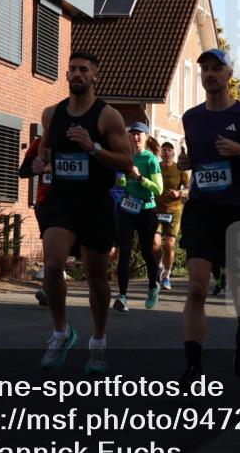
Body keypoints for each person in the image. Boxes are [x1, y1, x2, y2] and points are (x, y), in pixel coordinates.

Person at [177, 49, 240, 380]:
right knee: (196, 287)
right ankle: (193, 363)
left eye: (216, 68)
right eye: (204, 69)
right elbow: (198, 158)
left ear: (229, 74)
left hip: (237, 210)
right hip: (201, 208)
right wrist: (186, 164)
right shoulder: (191, 118)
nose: (209, 74)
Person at [33, 52, 133, 373]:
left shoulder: (108, 117)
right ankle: (61, 332)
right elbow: (46, 148)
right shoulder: (52, 114)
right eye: (73, 69)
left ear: (95, 77)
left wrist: (94, 148)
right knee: (51, 265)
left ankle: (99, 339)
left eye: (84, 70)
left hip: (95, 201)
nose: (77, 74)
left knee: (96, 277)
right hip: (62, 199)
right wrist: (39, 161)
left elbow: (127, 163)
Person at [113, 122, 163, 311]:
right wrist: (123, 180)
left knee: (146, 251)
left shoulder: (151, 160)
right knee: (123, 251)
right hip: (127, 208)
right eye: (132, 134)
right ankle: (123, 296)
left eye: (138, 135)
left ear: (146, 137)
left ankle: (153, 285)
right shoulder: (126, 157)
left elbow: (158, 189)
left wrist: (139, 177)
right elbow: (125, 181)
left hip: (146, 210)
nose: (135, 138)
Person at [19, 135, 54, 306]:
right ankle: (49, 288)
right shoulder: (40, 143)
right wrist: (38, 167)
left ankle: (52, 285)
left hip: (69, 203)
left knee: (58, 248)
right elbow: (23, 171)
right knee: (50, 245)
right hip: (45, 202)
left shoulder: (76, 141)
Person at [153, 140, 189, 292]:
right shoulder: (156, 167)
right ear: (161, 152)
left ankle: (167, 275)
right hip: (157, 210)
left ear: (173, 153)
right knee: (154, 244)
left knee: (169, 244)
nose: (166, 152)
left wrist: (179, 193)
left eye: (169, 149)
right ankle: (158, 267)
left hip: (174, 211)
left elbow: (189, 189)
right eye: (164, 149)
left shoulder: (180, 169)